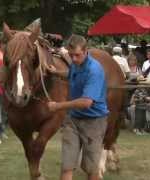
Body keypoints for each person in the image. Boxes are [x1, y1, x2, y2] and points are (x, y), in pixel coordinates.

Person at [47, 34, 108, 180]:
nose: (74, 59)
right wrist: (56, 72)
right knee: (67, 165)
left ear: (86, 51)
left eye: (77, 55)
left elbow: (86, 102)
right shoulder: (75, 64)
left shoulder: (94, 70)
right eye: (71, 55)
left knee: (91, 170)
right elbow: (71, 73)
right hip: (73, 120)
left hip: (94, 122)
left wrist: (58, 106)